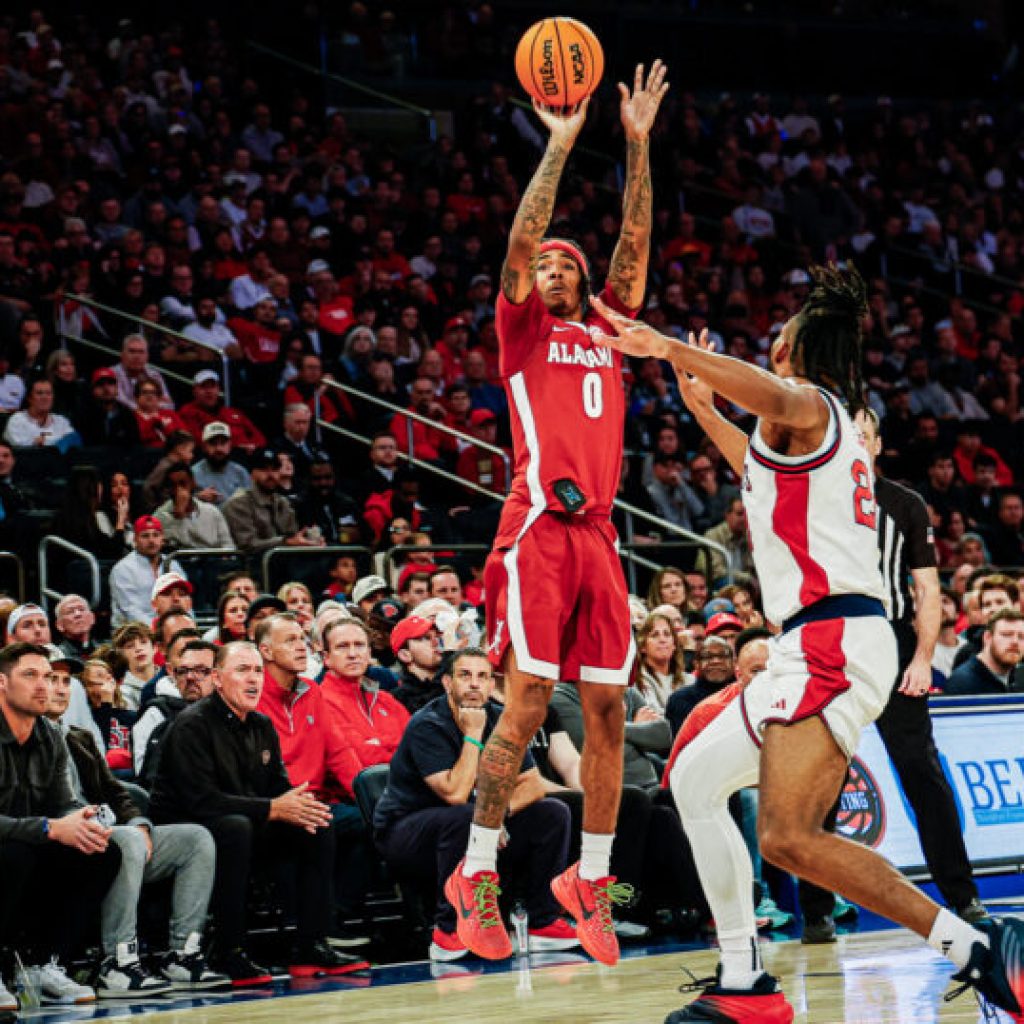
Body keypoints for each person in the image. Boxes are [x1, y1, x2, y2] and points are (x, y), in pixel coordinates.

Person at [591, 263, 1023, 1023]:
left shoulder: (814, 405)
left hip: (835, 636)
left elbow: (775, 399)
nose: (770, 342)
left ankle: (976, 948)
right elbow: (756, 475)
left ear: (795, 351)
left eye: (778, 337)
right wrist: (702, 409)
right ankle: (744, 982)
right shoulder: (805, 436)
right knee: (692, 779)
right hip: (817, 639)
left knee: (789, 836)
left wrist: (668, 349)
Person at [450, 62, 669, 967]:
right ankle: (476, 871)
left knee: (610, 710)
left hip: (600, 538)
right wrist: (563, 141)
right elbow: (519, 238)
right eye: (536, 265)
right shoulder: (523, 330)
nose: (544, 268)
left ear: (581, 281)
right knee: (531, 699)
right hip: (537, 526)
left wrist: (639, 145)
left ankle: (592, 878)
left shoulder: (608, 324)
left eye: (558, 264)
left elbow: (634, 242)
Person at [149, 641, 368, 984]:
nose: (253, 680)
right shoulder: (191, 725)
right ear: (218, 679)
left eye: (256, 671)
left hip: (244, 820)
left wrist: (297, 805)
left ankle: (311, 944)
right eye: (242, 671)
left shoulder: (261, 725)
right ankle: (230, 950)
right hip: (191, 829)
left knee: (317, 822)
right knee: (236, 828)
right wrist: (272, 808)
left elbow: (276, 786)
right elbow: (201, 801)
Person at [43, 648, 227, 997]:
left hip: (106, 837)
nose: (59, 689)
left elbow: (118, 793)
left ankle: (183, 954)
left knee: (195, 838)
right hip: (65, 842)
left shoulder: (79, 737)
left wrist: (141, 822)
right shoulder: (28, 738)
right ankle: (117, 961)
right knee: (126, 840)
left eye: (66, 681)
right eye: (50, 679)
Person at [373, 648, 576, 962]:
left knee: (552, 813)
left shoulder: (503, 718)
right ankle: (448, 930)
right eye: (464, 676)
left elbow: (533, 784)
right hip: (405, 833)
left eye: (482, 677)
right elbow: (454, 792)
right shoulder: (427, 724)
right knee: (464, 815)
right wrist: (473, 734)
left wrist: (497, 815)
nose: (474, 684)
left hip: (469, 823)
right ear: (447, 683)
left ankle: (542, 921)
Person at [0, 642, 120, 1007]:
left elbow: (64, 801)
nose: (44, 687)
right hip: (10, 848)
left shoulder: (50, 734)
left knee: (99, 851)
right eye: (30, 676)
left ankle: (41, 964)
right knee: (15, 854)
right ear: (2, 683)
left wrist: (81, 821)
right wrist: (49, 828)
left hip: (28, 842)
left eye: (49, 678)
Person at [222, 448, 324, 553]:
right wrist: (286, 542)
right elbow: (248, 544)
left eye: (275, 469)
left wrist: (309, 540)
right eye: (264, 469)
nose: (271, 475)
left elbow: (292, 536)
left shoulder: (282, 502)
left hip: (284, 562)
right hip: (250, 564)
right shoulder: (238, 503)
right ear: (252, 474)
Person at [109, 517, 186, 628]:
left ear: (162, 539)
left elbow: (185, 602)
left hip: (169, 630)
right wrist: (161, 630)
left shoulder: (173, 565)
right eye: (145, 536)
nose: (151, 540)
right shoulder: (122, 569)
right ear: (135, 539)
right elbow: (131, 611)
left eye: (156, 535)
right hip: (133, 632)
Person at [942, 610, 1024, 695]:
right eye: (1007, 634)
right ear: (987, 637)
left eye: (1022, 637)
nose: (1015, 641)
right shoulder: (962, 683)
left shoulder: (1019, 678)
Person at [391, 615, 444, 713]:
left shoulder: (451, 681)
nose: (436, 642)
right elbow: (430, 713)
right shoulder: (399, 698)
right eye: (426, 638)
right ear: (405, 655)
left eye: (437, 636)